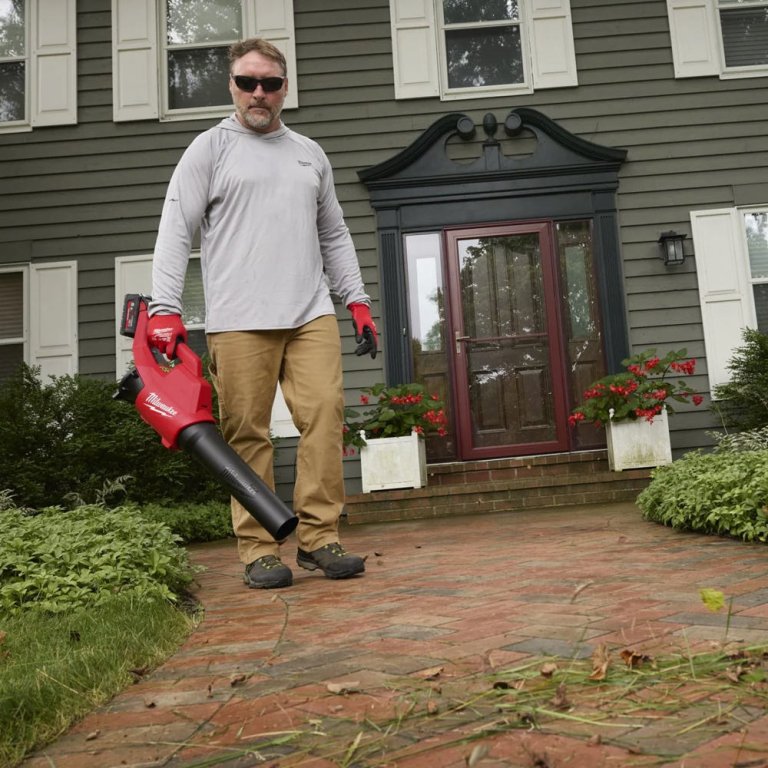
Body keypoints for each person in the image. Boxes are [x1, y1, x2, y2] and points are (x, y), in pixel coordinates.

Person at [146, 37, 378, 590]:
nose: (258, 93)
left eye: (269, 83)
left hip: (309, 312)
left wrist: (357, 300)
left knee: (325, 415)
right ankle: (258, 549)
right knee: (246, 432)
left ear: (284, 89)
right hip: (239, 318)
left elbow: (334, 233)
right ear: (231, 86)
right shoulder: (209, 149)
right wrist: (164, 308)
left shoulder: (309, 153)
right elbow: (176, 230)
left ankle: (319, 538)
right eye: (247, 82)